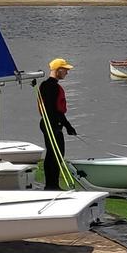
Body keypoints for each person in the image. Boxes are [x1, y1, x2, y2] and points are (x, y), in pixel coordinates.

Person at [37, 58, 77, 191]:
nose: (67, 72)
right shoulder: (50, 86)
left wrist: (65, 125)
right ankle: (51, 185)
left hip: (53, 122)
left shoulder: (49, 85)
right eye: (65, 70)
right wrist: (67, 125)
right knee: (56, 154)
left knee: (54, 154)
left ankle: (51, 184)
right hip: (50, 123)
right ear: (58, 70)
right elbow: (52, 109)